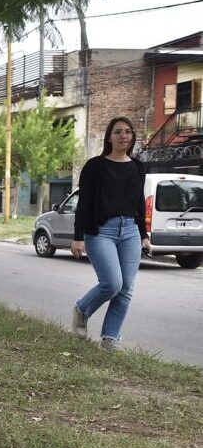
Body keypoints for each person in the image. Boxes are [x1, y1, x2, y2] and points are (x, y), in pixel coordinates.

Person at [70, 116, 151, 351]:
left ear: (132, 136)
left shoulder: (137, 167)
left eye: (127, 131)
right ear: (109, 137)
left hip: (130, 232)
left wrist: (143, 234)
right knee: (112, 283)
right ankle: (82, 309)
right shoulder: (95, 166)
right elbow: (83, 203)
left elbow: (139, 202)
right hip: (101, 231)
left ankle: (110, 339)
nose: (123, 136)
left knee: (126, 288)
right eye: (118, 132)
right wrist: (78, 237)